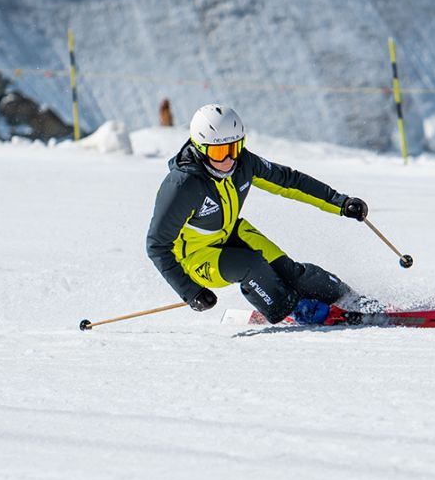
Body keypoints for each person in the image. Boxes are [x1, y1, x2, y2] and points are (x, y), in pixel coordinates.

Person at [146, 104, 368, 324]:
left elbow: (289, 181)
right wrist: (191, 292)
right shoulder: (182, 185)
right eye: (219, 152)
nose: (228, 160)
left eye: (234, 148)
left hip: (231, 232)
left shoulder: (244, 163)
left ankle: (348, 297)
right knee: (250, 265)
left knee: (291, 272)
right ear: (200, 148)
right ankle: (295, 308)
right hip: (195, 258)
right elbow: (157, 246)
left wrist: (340, 202)